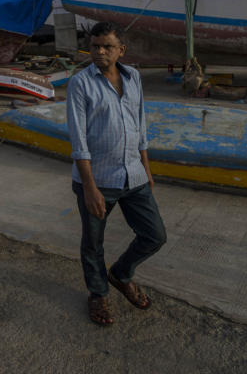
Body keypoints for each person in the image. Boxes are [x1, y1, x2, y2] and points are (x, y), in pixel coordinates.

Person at [66, 21, 167, 326]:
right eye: (94, 46)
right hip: (98, 180)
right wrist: (90, 187)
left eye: (107, 46)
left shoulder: (133, 77)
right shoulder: (80, 83)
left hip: (134, 176)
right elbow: (79, 140)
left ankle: (120, 275)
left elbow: (140, 125)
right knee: (93, 243)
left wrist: (146, 169)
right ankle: (98, 294)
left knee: (155, 235)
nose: (99, 52)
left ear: (121, 50)